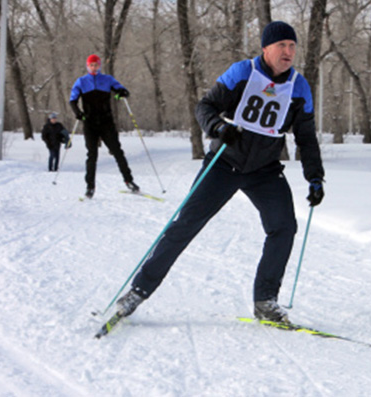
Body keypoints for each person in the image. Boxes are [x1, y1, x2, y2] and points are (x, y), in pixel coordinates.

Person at [115, 21, 325, 323]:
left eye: (292, 46)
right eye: (282, 45)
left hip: (264, 170)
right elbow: (205, 106)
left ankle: (265, 301)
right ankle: (138, 291)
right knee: (185, 224)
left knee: (284, 228)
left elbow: (306, 137)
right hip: (224, 164)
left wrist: (315, 177)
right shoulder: (242, 72)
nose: (288, 51)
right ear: (265, 48)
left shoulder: (299, 87)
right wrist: (218, 127)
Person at [69, 54, 139, 199]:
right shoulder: (81, 81)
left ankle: (129, 181)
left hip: (106, 122)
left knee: (117, 152)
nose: (94, 68)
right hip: (90, 123)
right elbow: (73, 101)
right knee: (92, 155)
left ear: (100, 65)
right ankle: (90, 186)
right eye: (91, 65)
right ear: (87, 66)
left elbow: (123, 90)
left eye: (96, 65)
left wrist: (121, 94)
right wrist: (78, 113)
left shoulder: (107, 80)